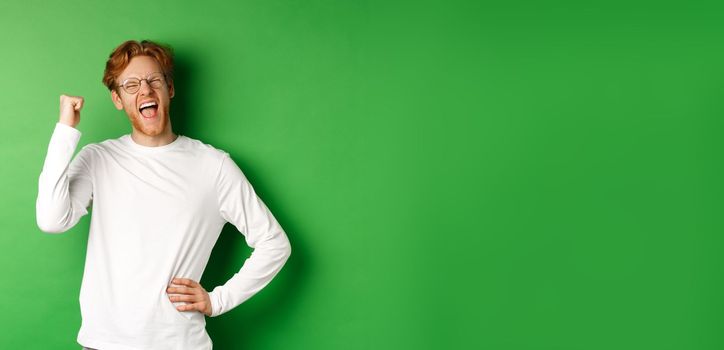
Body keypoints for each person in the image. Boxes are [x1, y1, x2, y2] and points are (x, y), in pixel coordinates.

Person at [35, 39, 292, 350]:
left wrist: (218, 300)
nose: (145, 90)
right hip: (103, 344)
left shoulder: (213, 166)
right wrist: (65, 130)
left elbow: (274, 243)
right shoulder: (98, 159)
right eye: (131, 85)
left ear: (169, 89)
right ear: (118, 99)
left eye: (153, 80)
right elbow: (51, 219)